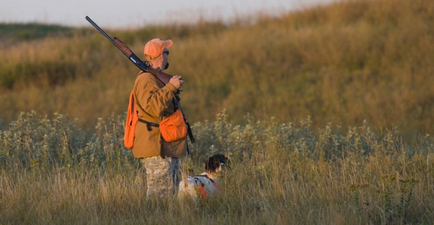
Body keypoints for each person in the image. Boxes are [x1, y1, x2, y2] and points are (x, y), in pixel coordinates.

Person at [131, 38, 188, 201]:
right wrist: (171, 87)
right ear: (161, 55)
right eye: (167, 52)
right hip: (156, 145)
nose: (168, 56)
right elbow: (153, 108)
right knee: (159, 196)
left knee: (169, 194)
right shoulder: (146, 79)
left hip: (166, 144)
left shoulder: (156, 78)